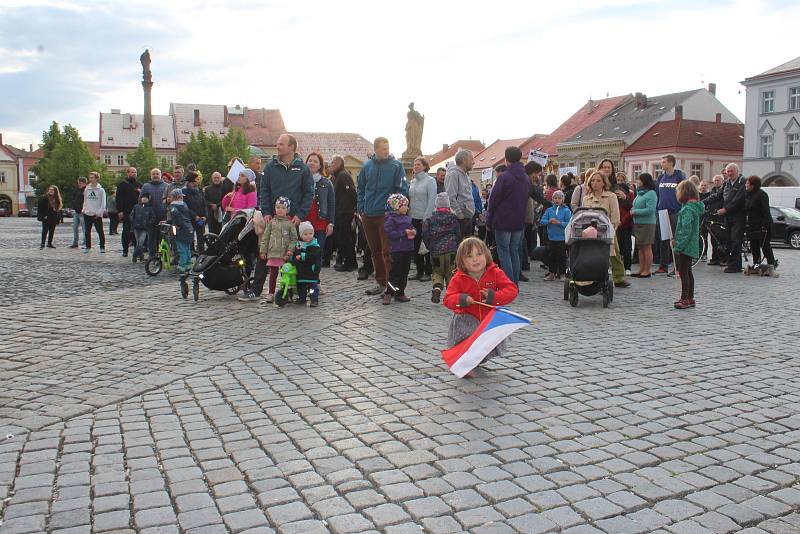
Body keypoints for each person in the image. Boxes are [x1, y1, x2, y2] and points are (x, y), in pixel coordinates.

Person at [442, 237, 518, 375]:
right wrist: (462, 299)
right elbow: (448, 299)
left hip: (487, 319)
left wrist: (494, 297)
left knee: (484, 346)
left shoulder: (495, 273)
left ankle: (476, 360)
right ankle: (465, 364)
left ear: (486, 255)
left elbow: (511, 290)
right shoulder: (458, 278)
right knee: (466, 343)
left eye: (479, 254)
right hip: (466, 318)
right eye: (469, 256)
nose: (475, 259)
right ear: (462, 263)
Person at [357, 136, 408, 296]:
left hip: (386, 215)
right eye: (383, 149)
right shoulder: (366, 166)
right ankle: (380, 281)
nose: (386, 151)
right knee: (375, 251)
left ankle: (390, 285)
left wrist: (393, 209)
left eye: (388, 148)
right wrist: (361, 208)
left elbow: (402, 189)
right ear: (376, 149)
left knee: (387, 251)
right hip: (368, 214)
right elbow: (361, 189)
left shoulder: (396, 166)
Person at [486, 147, 530, 284]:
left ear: (506, 159)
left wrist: (489, 220)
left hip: (503, 219)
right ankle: (515, 282)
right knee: (514, 251)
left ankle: (509, 283)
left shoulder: (504, 177)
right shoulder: (525, 177)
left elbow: (493, 200)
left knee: (504, 252)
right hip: (518, 219)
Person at [242, 197, 297, 304]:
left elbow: (293, 239)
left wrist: (290, 250)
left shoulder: (290, 224)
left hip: (285, 254)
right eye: (278, 207)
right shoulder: (271, 223)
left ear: (287, 210)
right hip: (273, 253)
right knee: (273, 273)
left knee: (285, 274)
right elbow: (265, 238)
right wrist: (263, 251)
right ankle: (271, 293)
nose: (280, 210)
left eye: (283, 208)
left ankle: (286, 292)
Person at [581, 171, 628, 287]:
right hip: (591, 231)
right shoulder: (587, 198)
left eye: (598, 181)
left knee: (614, 253)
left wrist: (612, 229)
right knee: (593, 254)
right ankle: (594, 277)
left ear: (603, 183)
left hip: (608, 229)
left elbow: (615, 216)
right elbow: (583, 216)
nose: (595, 183)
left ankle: (619, 278)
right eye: (592, 181)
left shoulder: (611, 196)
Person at [260, 133, 314, 225]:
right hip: (273, 220)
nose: (277, 147)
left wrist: (300, 215)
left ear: (291, 147)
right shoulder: (270, 167)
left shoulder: (303, 169)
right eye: (277, 144)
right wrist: (266, 212)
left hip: (294, 221)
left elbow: (309, 194)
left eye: (281, 144)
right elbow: (264, 190)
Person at [704, 163, 746, 273]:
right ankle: (734, 264)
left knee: (736, 240)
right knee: (729, 240)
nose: (729, 173)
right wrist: (702, 202)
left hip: (738, 216)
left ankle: (734, 265)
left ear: (737, 171)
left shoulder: (742, 182)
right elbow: (718, 195)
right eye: (728, 171)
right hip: (728, 216)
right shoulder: (727, 183)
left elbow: (739, 200)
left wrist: (726, 209)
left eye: (731, 171)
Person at [422, 192, 460, 304]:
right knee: (451, 273)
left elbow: (425, 234)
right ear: (448, 205)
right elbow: (458, 234)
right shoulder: (453, 218)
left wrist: (429, 245)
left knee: (437, 272)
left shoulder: (430, 219)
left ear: (436, 206)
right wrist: (456, 245)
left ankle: (437, 289)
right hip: (451, 250)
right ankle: (451, 296)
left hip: (436, 251)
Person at [672, 181, 704, 309]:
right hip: (691, 245)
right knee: (688, 272)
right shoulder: (693, 207)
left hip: (685, 246)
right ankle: (690, 298)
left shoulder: (687, 210)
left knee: (684, 273)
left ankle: (684, 298)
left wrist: (678, 246)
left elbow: (685, 230)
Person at [382, 194, 415, 305]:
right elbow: (390, 233)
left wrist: (413, 231)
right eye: (405, 205)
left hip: (407, 248)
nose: (407, 208)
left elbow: (411, 228)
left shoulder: (407, 218)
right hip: (397, 249)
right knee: (395, 272)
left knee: (404, 272)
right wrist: (403, 233)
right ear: (397, 207)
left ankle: (400, 292)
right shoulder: (391, 219)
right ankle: (389, 293)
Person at [655, 155, 686, 274]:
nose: (661, 164)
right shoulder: (661, 177)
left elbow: (683, 191)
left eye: (663, 162)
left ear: (671, 163)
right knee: (664, 240)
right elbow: (658, 193)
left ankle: (678, 267)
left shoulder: (679, 176)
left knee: (675, 239)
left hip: (675, 211)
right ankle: (663, 266)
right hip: (662, 211)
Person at [408, 157, 437, 281]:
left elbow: (432, 199)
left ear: (425, 166)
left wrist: (426, 217)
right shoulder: (413, 181)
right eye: (414, 164)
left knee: (425, 245)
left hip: (425, 218)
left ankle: (428, 272)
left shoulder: (430, 181)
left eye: (418, 164)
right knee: (415, 245)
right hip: (413, 217)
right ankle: (419, 271)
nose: (416, 166)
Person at [305, 152, 335, 268]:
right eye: (310, 160)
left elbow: (331, 204)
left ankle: (315, 281)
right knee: (302, 253)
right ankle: (303, 281)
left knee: (317, 254)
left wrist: (331, 223)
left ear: (320, 166)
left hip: (320, 223)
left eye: (315, 161)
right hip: (304, 222)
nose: (312, 163)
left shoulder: (326, 183)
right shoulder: (301, 180)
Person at [331, 156, 358, 272]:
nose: (330, 166)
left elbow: (352, 193)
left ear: (338, 163)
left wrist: (351, 210)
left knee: (346, 239)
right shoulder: (337, 177)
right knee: (343, 238)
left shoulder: (343, 176)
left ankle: (350, 263)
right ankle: (349, 261)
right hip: (340, 212)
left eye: (332, 163)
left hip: (345, 212)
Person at [744, 175, 777, 270]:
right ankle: (756, 264)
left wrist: (765, 225)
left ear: (753, 185)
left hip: (762, 225)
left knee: (765, 246)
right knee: (754, 246)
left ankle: (771, 264)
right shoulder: (748, 194)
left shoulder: (762, 194)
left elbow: (765, 211)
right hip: (752, 225)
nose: (746, 185)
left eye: (747, 183)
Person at [540, 191, 572, 280]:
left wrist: (559, 223)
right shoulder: (549, 210)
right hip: (551, 238)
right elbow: (542, 221)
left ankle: (562, 274)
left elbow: (569, 223)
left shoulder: (566, 211)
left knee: (562, 257)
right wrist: (549, 221)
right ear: (552, 199)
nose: (557, 200)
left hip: (562, 238)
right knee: (551, 257)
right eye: (555, 198)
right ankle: (551, 274)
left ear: (563, 200)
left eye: (559, 198)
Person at [444, 150, 476, 238]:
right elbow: (450, 197)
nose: (474, 162)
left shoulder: (465, 175)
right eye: (471, 159)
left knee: (466, 248)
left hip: (467, 217)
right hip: (459, 219)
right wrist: (459, 215)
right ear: (463, 160)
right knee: (460, 248)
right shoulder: (453, 174)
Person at [631, 173, 657, 278]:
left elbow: (650, 210)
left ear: (645, 181)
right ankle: (641, 269)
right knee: (640, 247)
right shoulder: (639, 193)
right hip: (638, 223)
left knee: (646, 246)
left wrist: (635, 211)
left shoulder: (651, 193)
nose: (638, 181)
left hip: (647, 223)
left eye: (639, 179)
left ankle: (647, 270)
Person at [139, 168, 168, 259]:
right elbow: (140, 200)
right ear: (151, 175)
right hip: (150, 216)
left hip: (163, 215)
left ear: (160, 175)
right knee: (151, 237)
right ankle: (152, 255)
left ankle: (164, 255)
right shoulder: (146, 186)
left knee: (164, 238)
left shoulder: (167, 186)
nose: (155, 175)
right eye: (153, 174)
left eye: (157, 174)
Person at [291, 221, 321, 307]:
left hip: (311, 270)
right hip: (301, 270)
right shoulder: (299, 245)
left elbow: (313, 256)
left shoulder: (315, 245)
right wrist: (293, 259)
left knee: (312, 287)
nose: (308, 236)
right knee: (301, 286)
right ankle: (302, 298)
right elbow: (296, 254)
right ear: (301, 235)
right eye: (305, 234)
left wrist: (302, 256)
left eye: (310, 233)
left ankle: (314, 299)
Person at [116, 166, 141, 257]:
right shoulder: (122, 184)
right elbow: (119, 198)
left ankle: (136, 250)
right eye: (132, 172)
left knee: (136, 232)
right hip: (126, 211)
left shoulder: (139, 184)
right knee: (126, 231)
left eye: (135, 172)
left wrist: (140, 191)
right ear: (128, 173)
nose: (134, 174)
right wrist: (120, 211)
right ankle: (125, 250)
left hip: (137, 212)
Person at [168, 189, 194, 273]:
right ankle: (188, 264)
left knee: (181, 248)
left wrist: (177, 225)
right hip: (189, 228)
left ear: (175, 197)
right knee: (187, 248)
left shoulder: (173, 206)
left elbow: (176, 216)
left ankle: (182, 266)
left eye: (171, 196)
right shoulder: (184, 204)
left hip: (180, 229)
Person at [182, 172, 208, 253]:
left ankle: (202, 256)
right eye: (197, 179)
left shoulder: (200, 190)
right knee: (190, 239)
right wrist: (194, 216)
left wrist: (205, 216)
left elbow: (204, 204)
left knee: (201, 238)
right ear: (191, 181)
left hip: (201, 219)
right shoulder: (184, 191)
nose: (198, 181)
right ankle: (191, 256)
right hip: (190, 219)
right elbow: (185, 206)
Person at [82, 172, 107, 253]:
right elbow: (85, 200)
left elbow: (103, 203)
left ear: (96, 179)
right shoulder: (87, 189)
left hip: (96, 214)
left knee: (100, 231)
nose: (91, 179)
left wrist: (99, 213)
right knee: (87, 231)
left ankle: (102, 247)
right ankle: (88, 246)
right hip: (88, 213)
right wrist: (84, 209)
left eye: (92, 177)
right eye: (90, 178)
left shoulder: (101, 190)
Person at [706, 174, 726, 265]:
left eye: (718, 180)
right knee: (713, 239)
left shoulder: (723, 190)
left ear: (722, 181)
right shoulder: (713, 190)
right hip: (712, 216)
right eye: (715, 180)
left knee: (721, 238)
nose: (716, 182)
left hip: (720, 217)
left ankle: (723, 258)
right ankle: (715, 258)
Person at [130, 193, 155, 262]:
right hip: (136, 227)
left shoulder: (150, 208)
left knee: (140, 242)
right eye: (143, 197)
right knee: (138, 242)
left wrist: (148, 223)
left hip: (144, 228)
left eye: (146, 198)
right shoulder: (136, 206)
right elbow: (131, 215)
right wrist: (133, 221)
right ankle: (141, 256)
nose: (144, 199)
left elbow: (153, 218)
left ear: (148, 199)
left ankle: (134, 255)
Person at [70, 177, 87, 248]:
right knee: (74, 228)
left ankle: (86, 243)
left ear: (84, 183)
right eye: (78, 183)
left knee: (84, 229)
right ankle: (75, 243)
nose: (79, 184)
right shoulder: (77, 190)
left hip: (83, 212)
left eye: (80, 183)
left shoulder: (86, 190)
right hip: (76, 212)